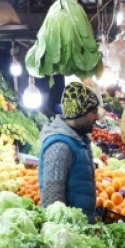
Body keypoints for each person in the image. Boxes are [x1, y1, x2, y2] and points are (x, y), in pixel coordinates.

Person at [37, 82, 100, 221]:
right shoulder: (60, 147)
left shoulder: (79, 139)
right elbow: (52, 202)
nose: (97, 118)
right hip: (70, 233)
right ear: (79, 112)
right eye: (93, 112)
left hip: (81, 228)